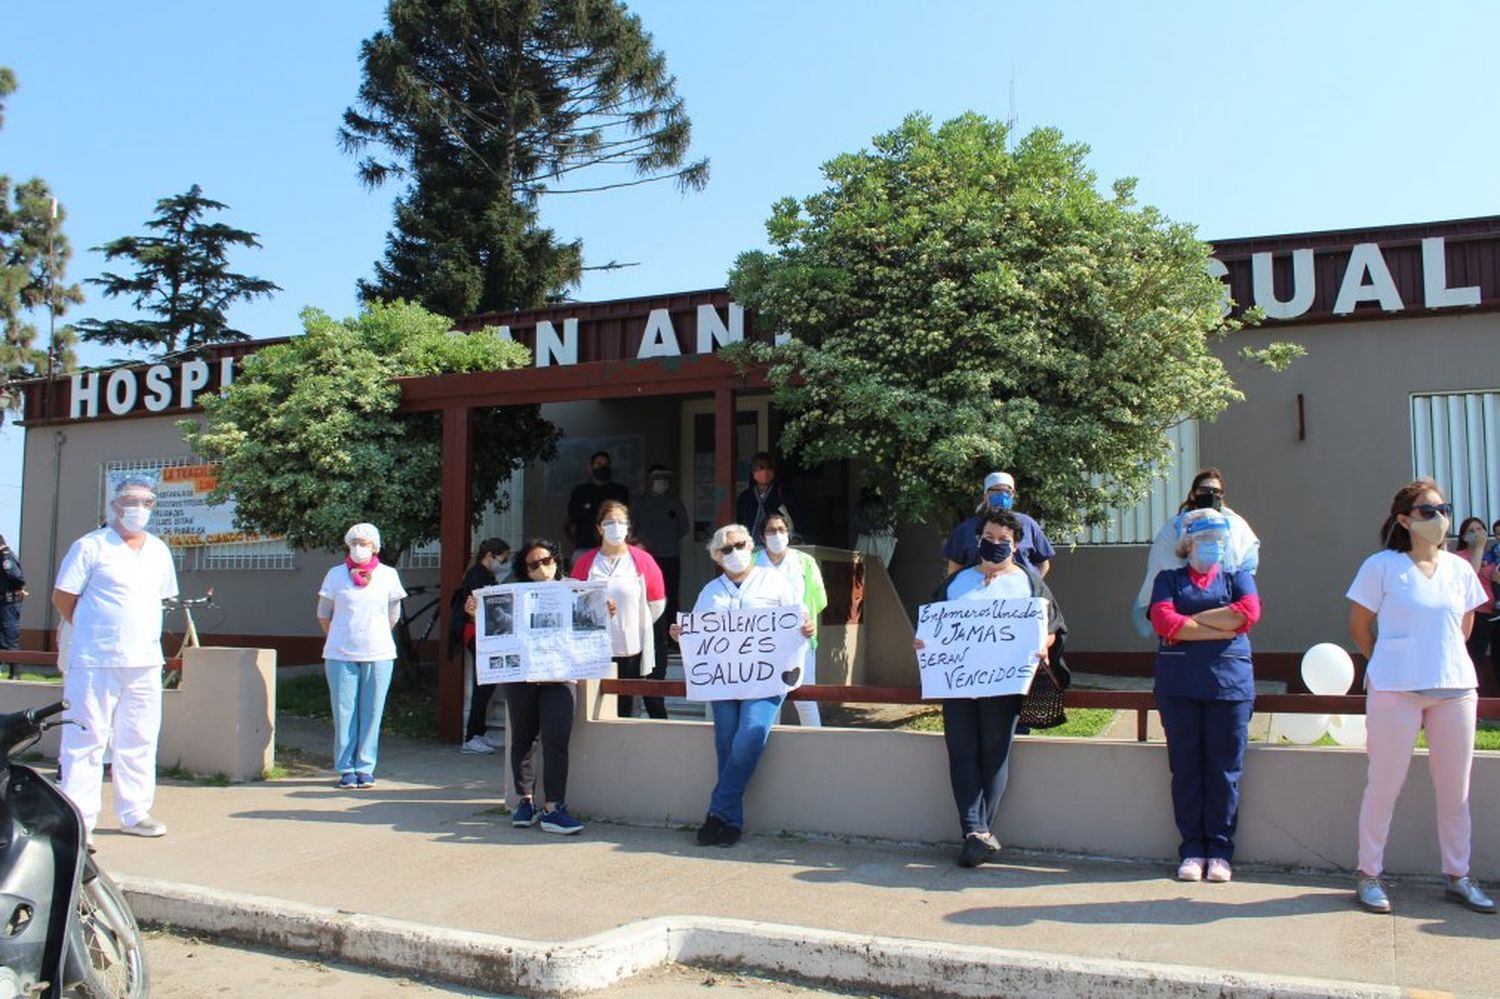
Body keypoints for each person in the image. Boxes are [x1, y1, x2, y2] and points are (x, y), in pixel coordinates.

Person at [1346, 479, 1495, 915]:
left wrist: (1436, 656)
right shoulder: (1381, 566)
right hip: (1396, 690)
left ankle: (1458, 875)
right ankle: (1368, 874)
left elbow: (1464, 628)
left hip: (1454, 689)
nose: (1440, 518)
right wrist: (1386, 660)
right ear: (1404, 520)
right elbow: (1359, 624)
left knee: (1455, 791)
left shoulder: (1459, 569)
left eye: (1443, 509)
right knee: (1384, 785)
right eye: (1428, 511)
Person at [918, 508, 1065, 868]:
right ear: (978, 540)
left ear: (1015, 546)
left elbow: (1054, 627)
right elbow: (931, 627)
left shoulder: (1030, 584)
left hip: (1004, 687)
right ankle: (975, 832)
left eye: (1004, 540)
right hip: (959, 686)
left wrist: (1044, 643)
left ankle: (978, 832)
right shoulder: (956, 584)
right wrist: (923, 643)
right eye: (990, 538)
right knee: (962, 751)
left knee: (994, 754)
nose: (996, 544)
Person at [669, 523, 814, 846]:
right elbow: (698, 633)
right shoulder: (711, 591)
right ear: (716, 557)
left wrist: (805, 628)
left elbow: (799, 617)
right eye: (725, 549)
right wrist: (681, 634)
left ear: (750, 546)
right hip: (724, 682)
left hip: (765, 679)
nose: (733, 553)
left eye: (738, 545)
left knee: (750, 735)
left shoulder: (774, 582)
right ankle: (731, 822)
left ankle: (716, 811)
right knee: (725, 743)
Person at [50, 477, 178, 839]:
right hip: (95, 661)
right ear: (114, 505)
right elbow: (63, 598)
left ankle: (135, 812)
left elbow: (162, 598)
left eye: (146, 502)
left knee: (138, 738)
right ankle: (79, 821)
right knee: (86, 739)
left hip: (144, 662)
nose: (138, 508)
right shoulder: (90, 546)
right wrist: (94, 630)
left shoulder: (158, 550)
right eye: (130, 501)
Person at [1148, 509, 1261, 884]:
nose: (1213, 546)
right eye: (1205, 539)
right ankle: (1192, 849)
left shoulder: (1238, 578)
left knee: (1224, 771)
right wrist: (1224, 626)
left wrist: (1191, 624)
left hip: (1229, 689)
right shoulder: (1168, 580)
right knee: (1186, 769)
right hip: (1179, 688)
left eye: (1219, 539)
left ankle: (1221, 851)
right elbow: (1164, 621)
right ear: (1188, 542)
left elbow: (1249, 612)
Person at [498, 539, 583, 834]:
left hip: (560, 676)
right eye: (533, 564)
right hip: (522, 676)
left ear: (557, 560)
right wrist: (476, 610)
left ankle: (554, 807)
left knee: (557, 739)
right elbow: (494, 622)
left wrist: (604, 611)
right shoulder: (514, 593)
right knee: (523, 738)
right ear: (525, 569)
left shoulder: (576, 590)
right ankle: (525, 802)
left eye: (546, 560)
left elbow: (591, 625)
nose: (542, 568)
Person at [317, 523, 407, 789]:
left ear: (375, 546)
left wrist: (374, 634)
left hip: (378, 653)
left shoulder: (388, 575)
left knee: (372, 711)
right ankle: (346, 769)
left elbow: (394, 614)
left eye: (364, 542)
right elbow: (323, 613)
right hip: (340, 655)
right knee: (344, 712)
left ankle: (366, 767)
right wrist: (340, 636)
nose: (358, 547)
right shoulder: (335, 575)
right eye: (354, 542)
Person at [1132, 468, 1261, 638]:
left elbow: (1247, 575)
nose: (1210, 494)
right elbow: (1160, 567)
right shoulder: (1172, 529)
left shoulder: (1237, 527)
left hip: (1224, 611)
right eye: (1204, 490)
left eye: (1216, 491)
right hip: (1180, 610)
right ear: (1193, 494)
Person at [569, 500, 668, 719]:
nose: (615, 527)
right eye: (609, 522)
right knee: (596, 704)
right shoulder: (586, 562)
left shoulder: (642, 560)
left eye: (620, 522)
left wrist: (636, 624)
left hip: (632, 645)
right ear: (599, 528)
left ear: (628, 527)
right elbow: (573, 601)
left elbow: (657, 602)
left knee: (628, 704)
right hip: (595, 647)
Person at [753, 511, 828, 726]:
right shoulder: (753, 561)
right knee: (768, 700)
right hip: (763, 641)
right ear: (762, 536)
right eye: (771, 530)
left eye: (781, 530)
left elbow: (819, 599)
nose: (777, 534)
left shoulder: (805, 562)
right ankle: (769, 748)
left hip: (800, 639)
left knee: (806, 699)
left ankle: (815, 749)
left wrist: (806, 621)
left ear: (788, 533)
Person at [451, 537, 512, 755]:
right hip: (475, 632)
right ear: (490, 556)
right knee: (483, 684)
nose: (503, 564)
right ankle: (471, 737)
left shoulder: (482, 573)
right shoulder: (477, 575)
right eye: (501, 559)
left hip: (481, 633)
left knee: (487, 683)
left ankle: (479, 732)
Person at [941, 472, 1055, 577]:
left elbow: (1043, 564)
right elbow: (954, 568)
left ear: (1013, 495)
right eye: (996, 491)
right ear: (985, 495)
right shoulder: (965, 529)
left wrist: (1033, 585)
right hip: (981, 593)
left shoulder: (1028, 524)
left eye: (1007, 492)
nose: (1002, 495)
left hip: (1020, 595)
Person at [633, 464, 689, 678]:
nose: (660, 482)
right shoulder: (640, 503)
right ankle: (650, 638)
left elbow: (684, 527)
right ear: (649, 480)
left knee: (671, 596)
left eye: (664, 477)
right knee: (646, 599)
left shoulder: (674, 501)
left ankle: (672, 639)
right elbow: (633, 527)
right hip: (647, 558)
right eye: (656, 478)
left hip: (670, 555)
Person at [1454, 517, 1499, 681]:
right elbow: (1470, 577)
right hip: (1476, 614)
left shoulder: (1493, 554)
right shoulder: (1459, 558)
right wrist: (1479, 548)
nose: (1477, 534)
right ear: (1463, 537)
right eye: (1472, 531)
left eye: (1480, 529)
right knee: (1475, 657)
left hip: (1496, 611)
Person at [564, 450, 629, 556]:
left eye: (606, 464)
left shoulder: (620, 491)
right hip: (584, 547)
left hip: (613, 549)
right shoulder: (580, 491)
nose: (603, 467)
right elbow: (572, 518)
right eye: (599, 464)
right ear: (590, 468)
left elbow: (625, 518)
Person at [735, 452, 795, 545]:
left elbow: (792, 518)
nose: (764, 471)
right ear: (752, 471)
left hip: (776, 545)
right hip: (751, 546)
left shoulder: (782, 493)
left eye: (768, 468)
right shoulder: (745, 497)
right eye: (760, 468)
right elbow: (739, 522)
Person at [0, 533, 25, 679]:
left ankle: (15, 674)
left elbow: (17, 578)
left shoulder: (6, 557)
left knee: (9, 638)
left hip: (9, 604)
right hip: (4, 603)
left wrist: (17, 589)